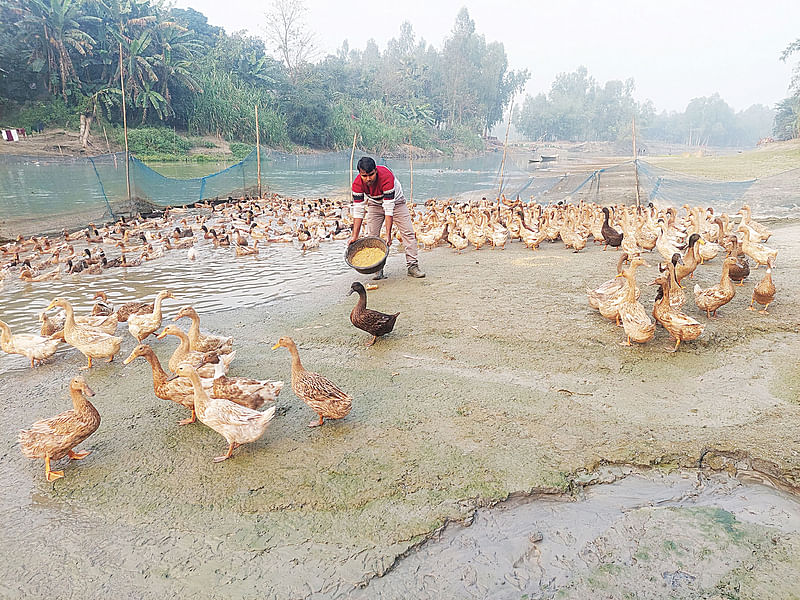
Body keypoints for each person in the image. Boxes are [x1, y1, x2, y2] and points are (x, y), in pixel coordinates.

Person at [349, 156, 425, 279]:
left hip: (397, 202)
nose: (368, 179)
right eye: (364, 176)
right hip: (374, 203)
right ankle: (377, 268)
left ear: (376, 171)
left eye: (371, 175)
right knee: (372, 236)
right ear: (359, 174)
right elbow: (358, 211)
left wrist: (388, 235)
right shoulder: (357, 183)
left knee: (408, 233)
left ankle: (412, 266)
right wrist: (355, 236)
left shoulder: (386, 177)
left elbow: (389, 209)